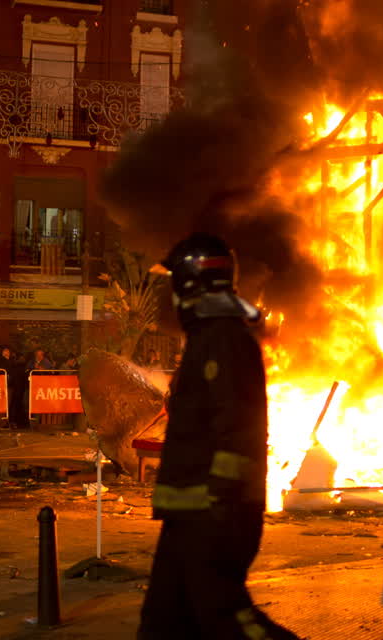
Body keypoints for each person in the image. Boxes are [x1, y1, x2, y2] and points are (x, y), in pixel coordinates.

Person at [138, 233, 300, 640]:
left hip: (212, 514)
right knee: (164, 623)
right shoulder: (209, 338)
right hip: (187, 515)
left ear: (191, 282)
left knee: (225, 619)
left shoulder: (224, 341)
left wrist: (222, 502)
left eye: (174, 280)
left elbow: (237, 426)